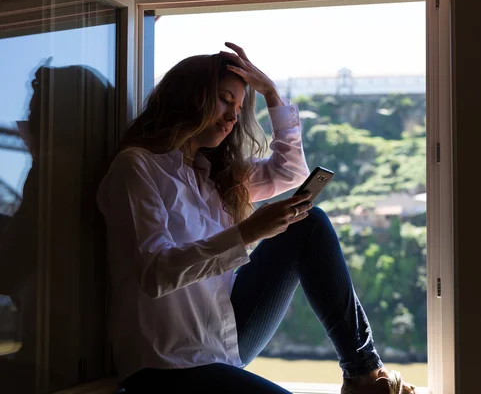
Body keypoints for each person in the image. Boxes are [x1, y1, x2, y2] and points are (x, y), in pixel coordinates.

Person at [96, 42, 416, 394]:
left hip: (224, 341)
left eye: (238, 106)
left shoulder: (213, 177)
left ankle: (364, 374)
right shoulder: (137, 167)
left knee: (307, 223)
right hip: (166, 364)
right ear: (189, 98)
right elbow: (155, 274)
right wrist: (247, 232)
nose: (233, 117)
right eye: (224, 99)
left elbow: (290, 172)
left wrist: (271, 93)